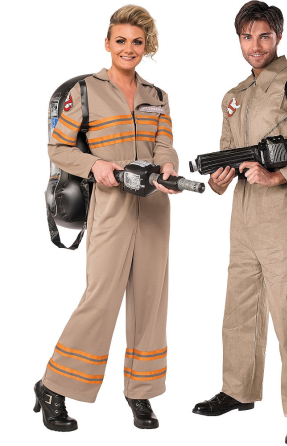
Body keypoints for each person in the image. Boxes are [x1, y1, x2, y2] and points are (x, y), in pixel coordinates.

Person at [191, 2, 287, 445]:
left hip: (280, 210)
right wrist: (220, 180)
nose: (255, 46)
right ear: (238, 40)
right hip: (242, 211)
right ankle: (237, 390)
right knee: (238, 307)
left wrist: (279, 175)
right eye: (246, 37)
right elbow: (227, 153)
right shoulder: (234, 96)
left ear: (278, 37)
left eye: (264, 36)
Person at [34, 4, 179, 432]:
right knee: (101, 298)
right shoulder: (84, 91)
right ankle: (52, 387)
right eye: (121, 41)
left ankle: (140, 393)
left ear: (146, 47)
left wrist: (167, 168)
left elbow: (165, 145)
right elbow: (59, 149)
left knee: (151, 301)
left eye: (137, 42)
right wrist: (95, 165)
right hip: (111, 205)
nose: (129, 49)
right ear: (108, 44)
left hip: (154, 205)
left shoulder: (158, 95)